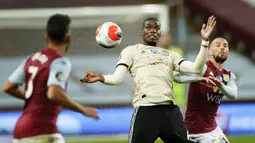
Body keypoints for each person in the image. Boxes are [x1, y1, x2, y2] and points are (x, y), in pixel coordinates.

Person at [81, 16, 216, 143]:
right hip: (146, 110)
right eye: (148, 27)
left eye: (156, 28)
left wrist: (204, 41)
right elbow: (117, 79)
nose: (152, 30)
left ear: (159, 33)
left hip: (170, 111)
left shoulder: (170, 55)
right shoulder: (131, 51)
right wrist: (101, 77)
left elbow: (196, 68)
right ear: (141, 32)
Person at [2, 14, 99, 143]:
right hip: (42, 132)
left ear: (46, 37)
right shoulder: (60, 62)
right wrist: (83, 110)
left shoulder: (31, 59)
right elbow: (54, 93)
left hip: (20, 132)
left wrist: (33, 96)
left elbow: (8, 87)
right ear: (68, 39)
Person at [174, 37, 238, 143]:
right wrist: (198, 78)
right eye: (218, 45)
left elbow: (233, 95)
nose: (222, 48)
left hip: (213, 128)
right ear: (209, 51)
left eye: (225, 46)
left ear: (228, 52)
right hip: (196, 131)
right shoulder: (202, 68)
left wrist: (221, 86)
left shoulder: (229, 76)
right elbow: (175, 77)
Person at [159, 32, 187, 114]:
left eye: (167, 37)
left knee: (181, 114)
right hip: (161, 89)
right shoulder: (155, 52)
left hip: (177, 88)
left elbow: (180, 68)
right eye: (163, 37)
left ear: (170, 39)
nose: (165, 39)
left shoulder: (177, 51)